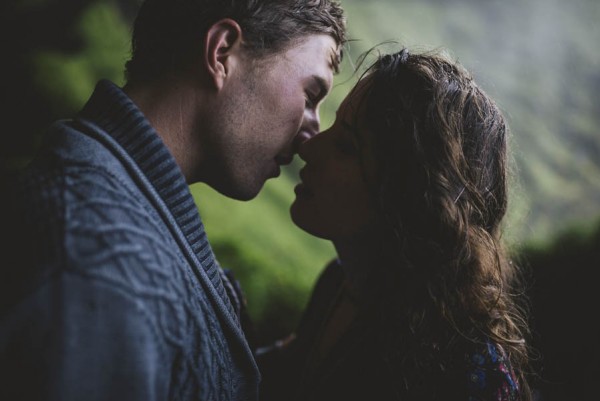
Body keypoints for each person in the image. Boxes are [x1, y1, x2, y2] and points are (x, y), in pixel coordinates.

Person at [0, 1, 346, 400]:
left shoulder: (118, 225)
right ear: (221, 53)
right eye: (310, 94)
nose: (312, 135)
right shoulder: (102, 270)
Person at [258, 48, 532, 401]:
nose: (310, 148)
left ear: (412, 194)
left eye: (346, 146)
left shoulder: (462, 371)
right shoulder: (338, 284)